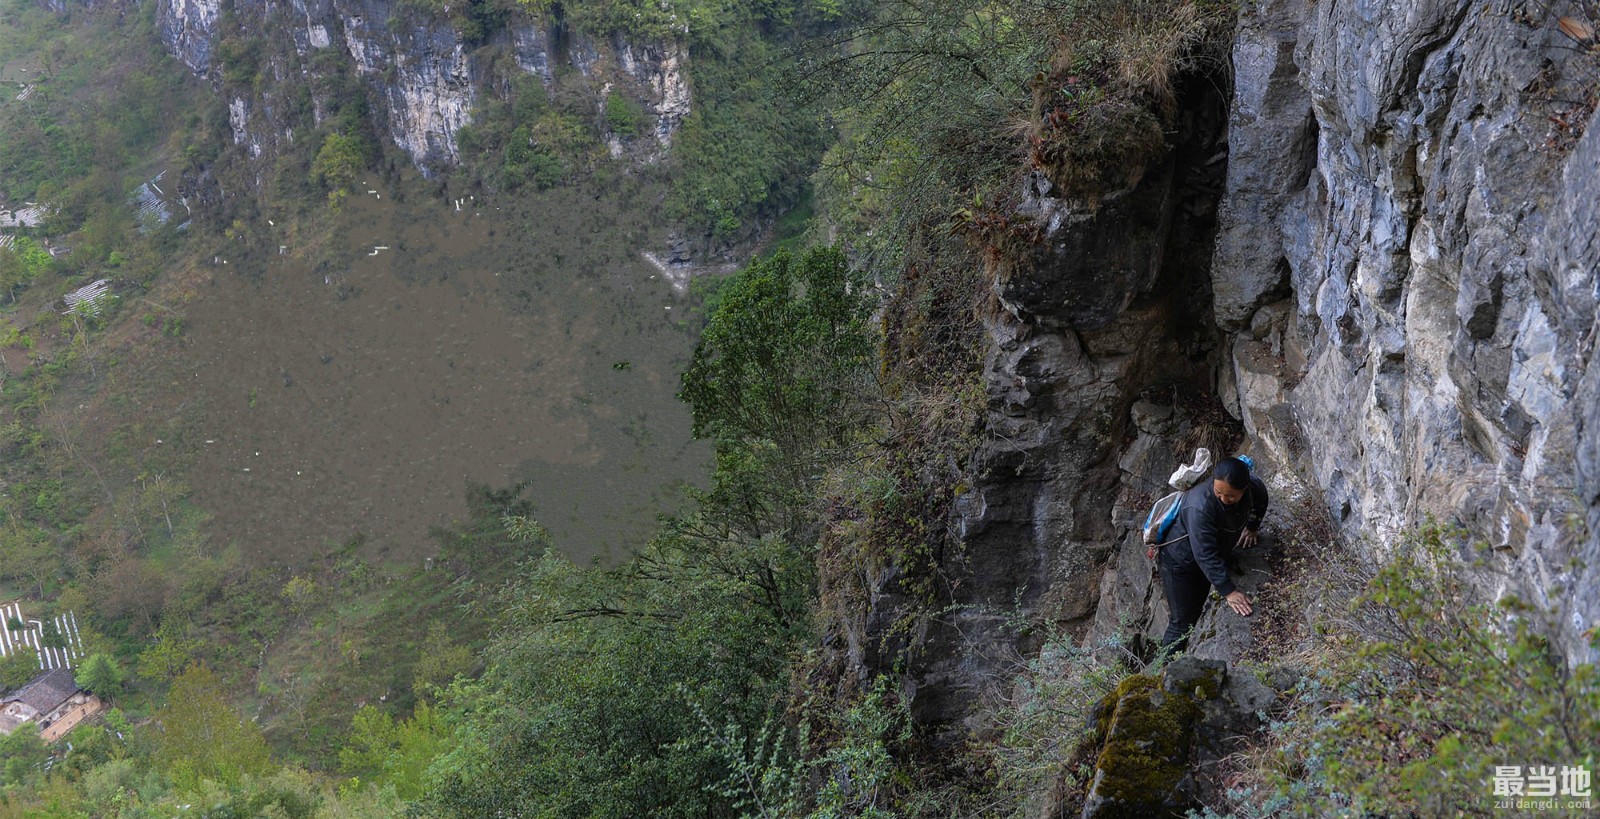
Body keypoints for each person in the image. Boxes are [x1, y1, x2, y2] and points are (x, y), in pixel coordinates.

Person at [1157, 456, 1269, 652]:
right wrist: (1229, 591)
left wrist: (1252, 527)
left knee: (1196, 611)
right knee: (1182, 622)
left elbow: (1260, 502)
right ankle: (1164, 665)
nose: (1224, 499)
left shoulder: (1254, 488)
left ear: (1244, 488)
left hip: (1210, 555)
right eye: (1219, 492)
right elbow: (1204, 553)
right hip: (1180, 563)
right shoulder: (1200, 506)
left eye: (1231, 496)